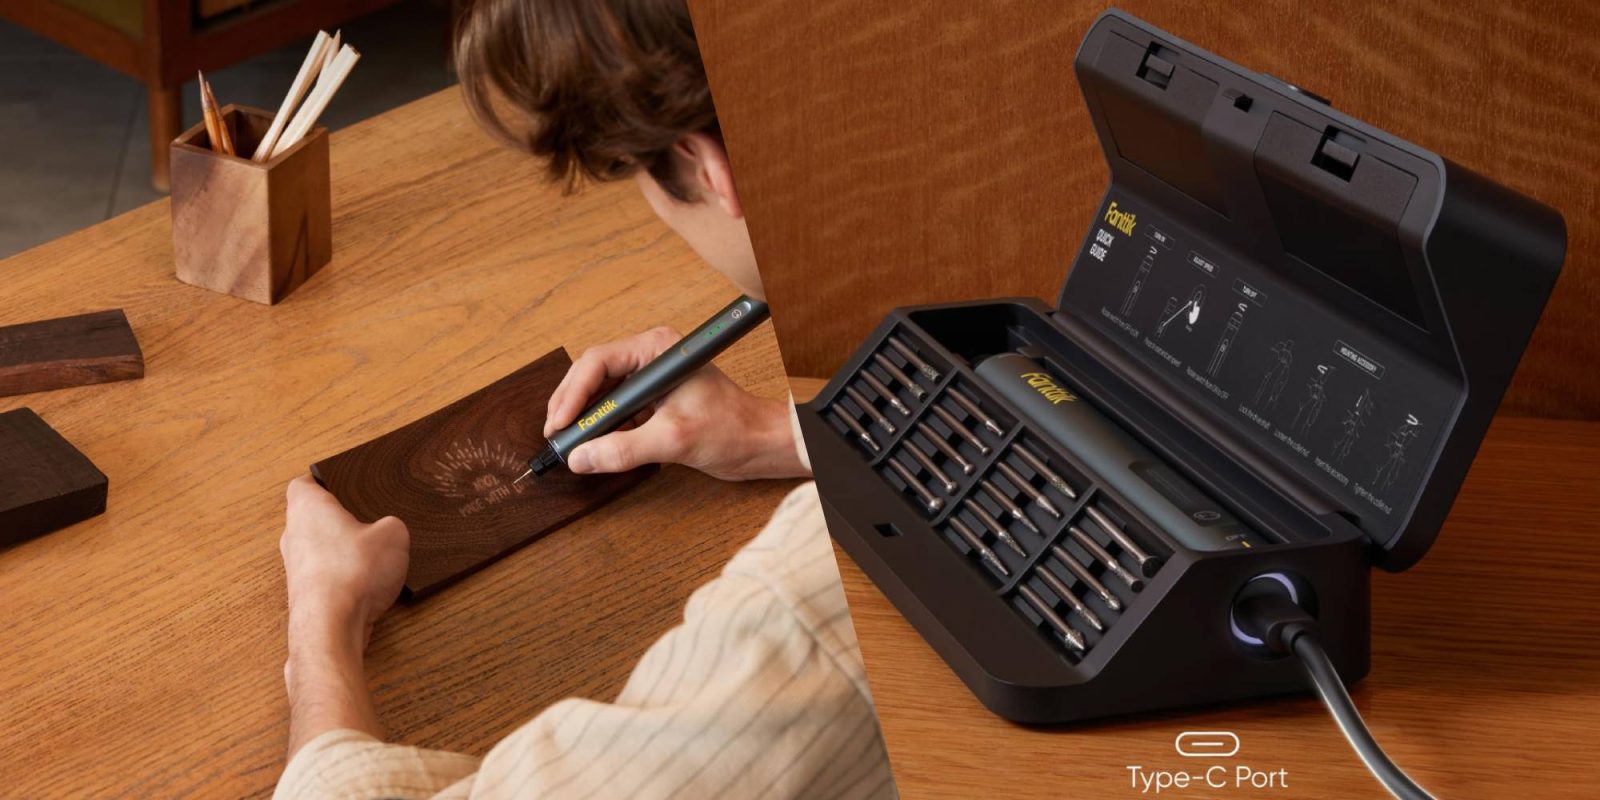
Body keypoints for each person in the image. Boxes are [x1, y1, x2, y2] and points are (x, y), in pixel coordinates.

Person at [272, 1, 894, 797]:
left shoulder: (814, 609)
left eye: (631, 171)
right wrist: (787, 435)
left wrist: (322, 625)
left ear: (708, 167)